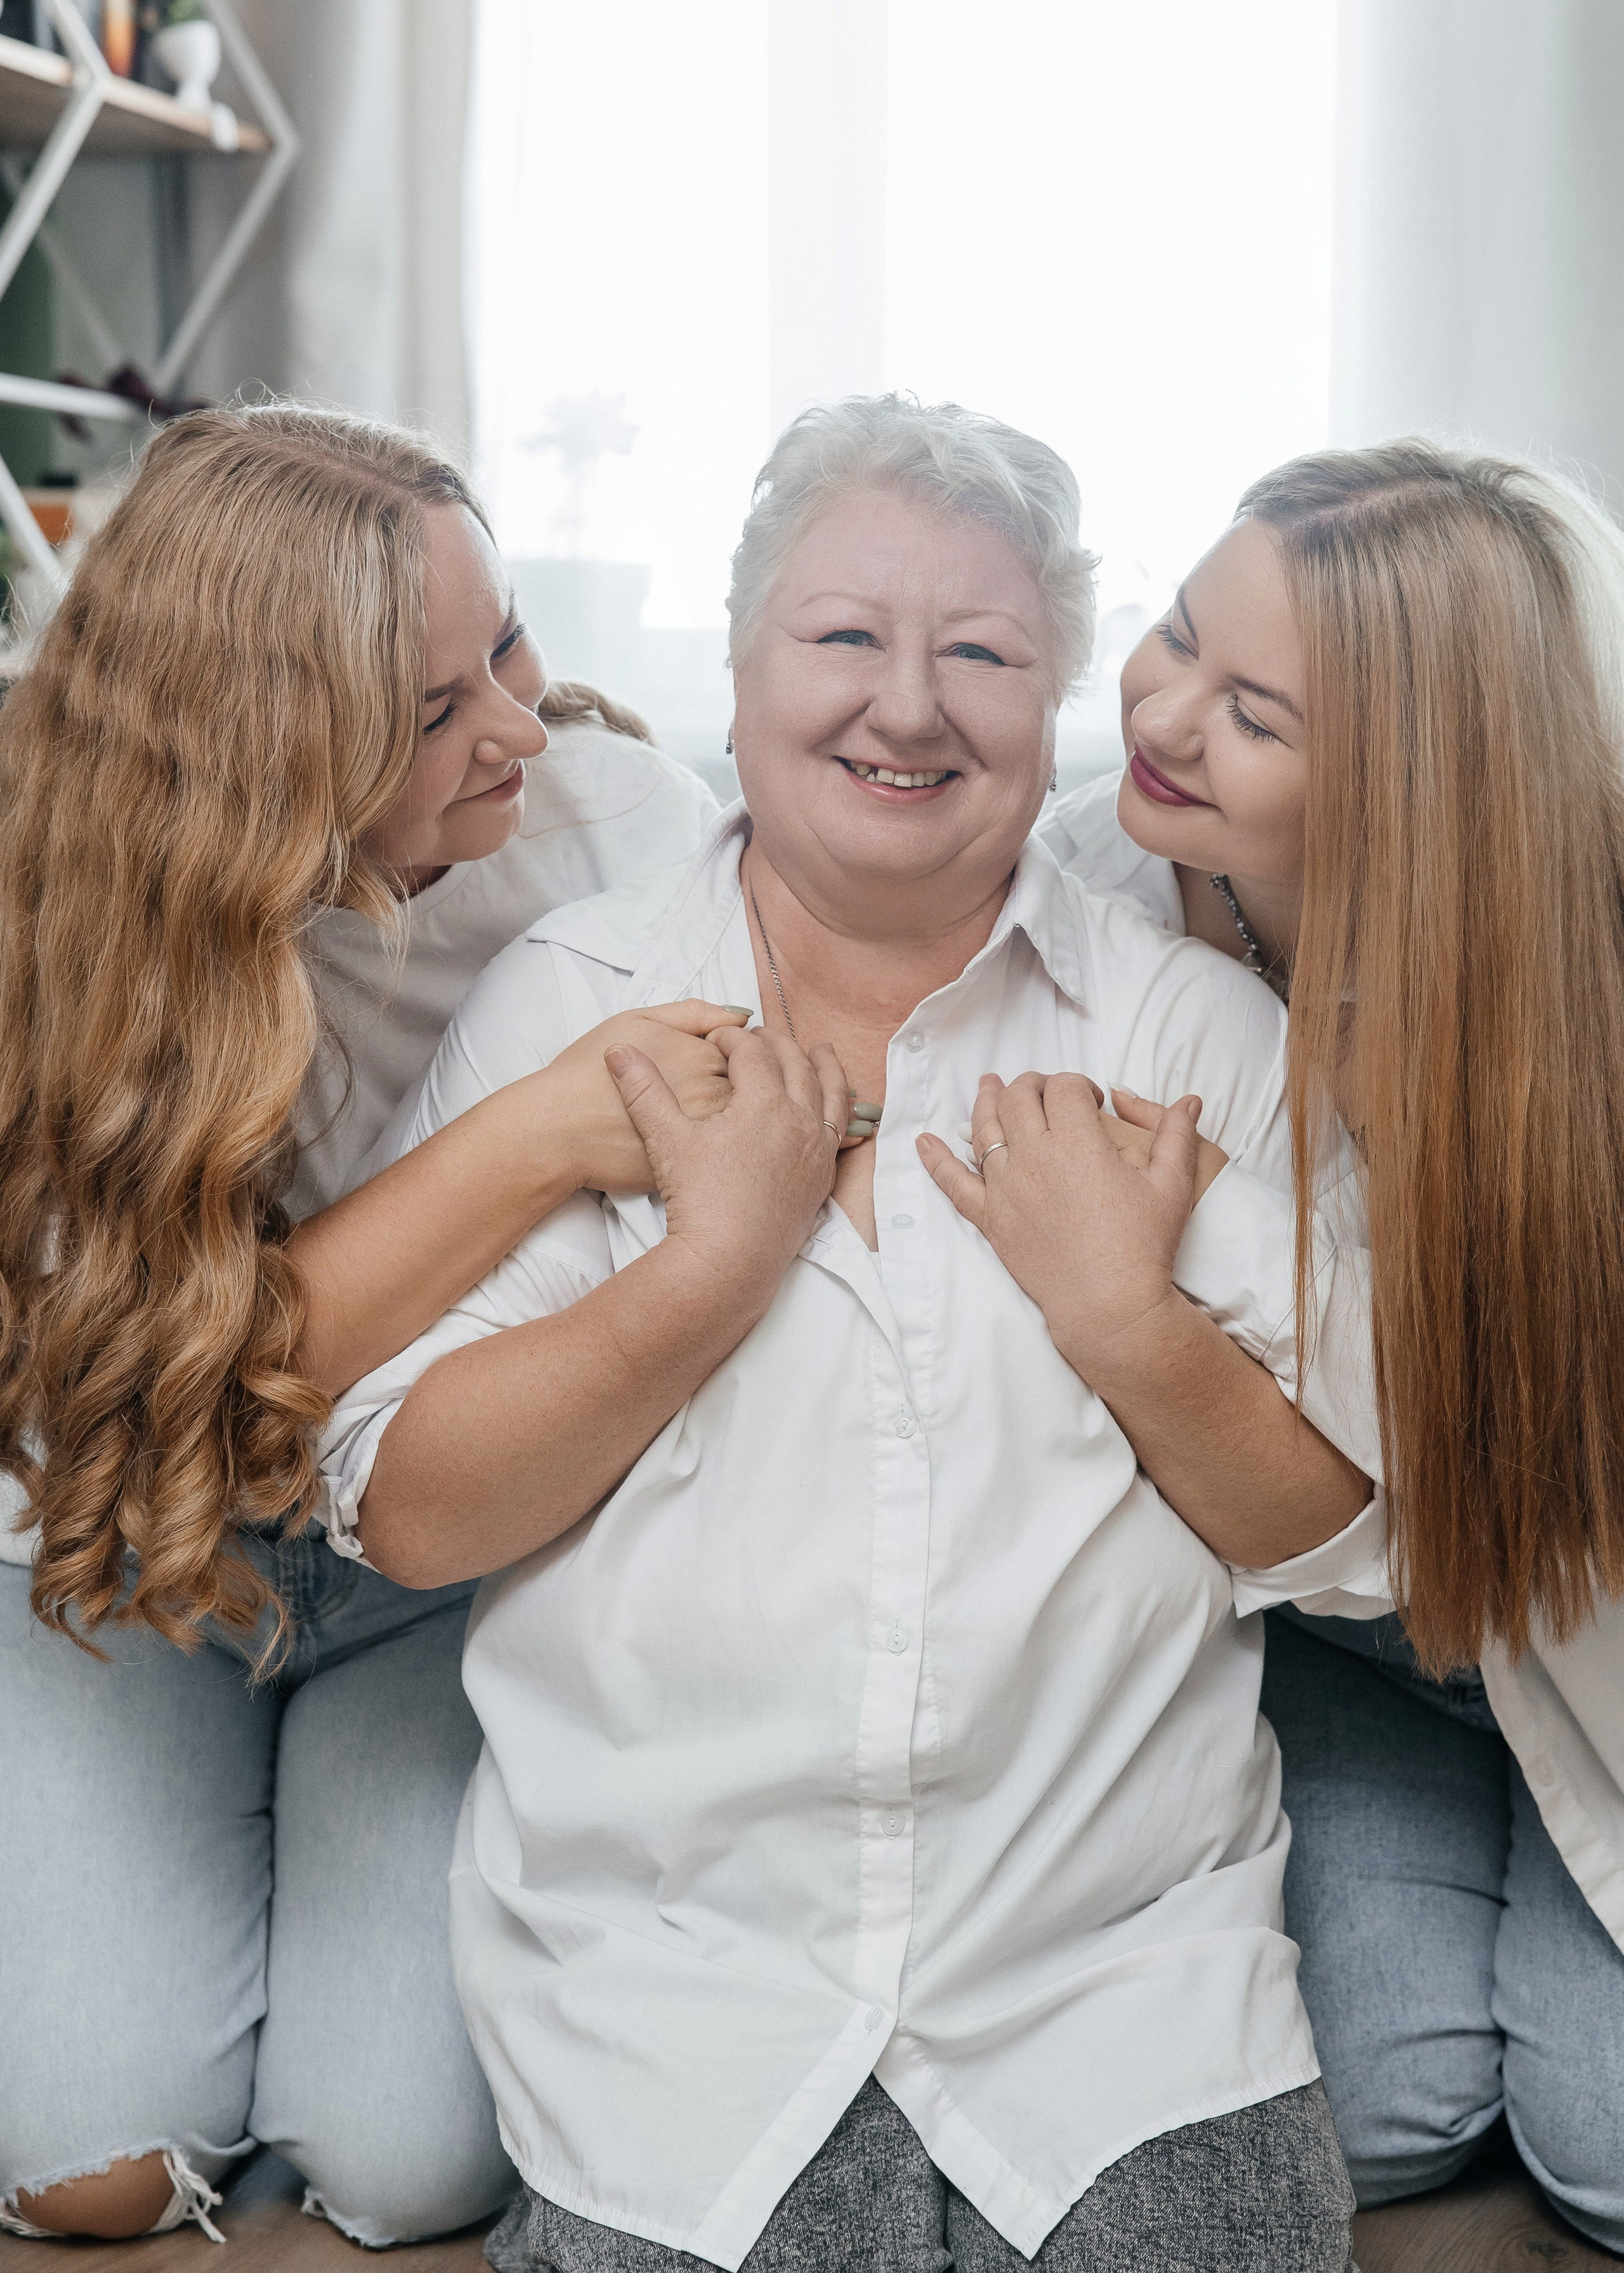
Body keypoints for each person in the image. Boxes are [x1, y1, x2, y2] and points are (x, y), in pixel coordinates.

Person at [322, 396, 1384, 2273]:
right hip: (676, 2009)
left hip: (1123, 2002)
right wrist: (701, 1272)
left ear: (1058, 699)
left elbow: (1353, 1538)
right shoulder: (575, 1005)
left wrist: (1131, 1323)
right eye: (842, 639)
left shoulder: (1187, 1033)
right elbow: (406, 1505)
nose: (908, 705)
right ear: (732, 674)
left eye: (980, 652)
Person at [0, 404, 743, 2246]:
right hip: (127, 1554)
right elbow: (155, 1412)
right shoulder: (50, 918)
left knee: (400, 2161)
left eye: (503, 641)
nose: (516, 718)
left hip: (435, 1556)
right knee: (92, 2181)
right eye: (429, 711)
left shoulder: (616, 834)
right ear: (252, 759)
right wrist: (539, 1129)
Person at [989, 440, 1624, 2255]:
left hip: (1562, 1612)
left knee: (1605, 2150)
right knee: (1377, 2106)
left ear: (1417, 795)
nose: (1165, 714)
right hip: (1349, 1645)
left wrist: (1144, 1290)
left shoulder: (1554, 1022)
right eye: (1177, 633)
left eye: (1252, 710)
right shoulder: (1101, 889)